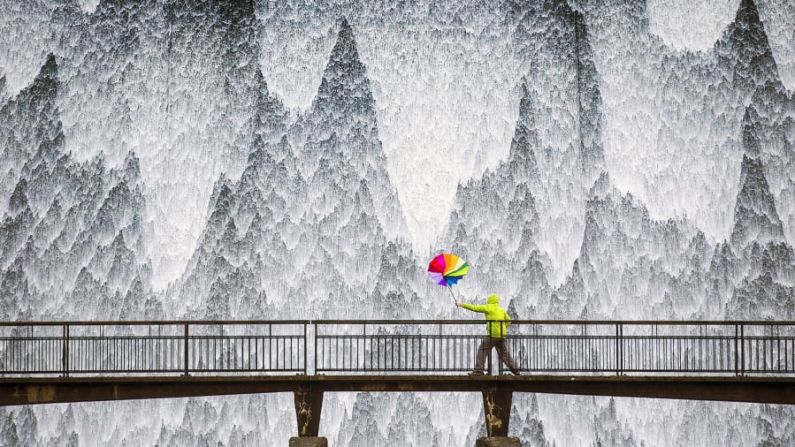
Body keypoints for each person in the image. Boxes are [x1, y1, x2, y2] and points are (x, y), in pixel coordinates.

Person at [456, 294, 520, 376]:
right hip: (502, 335)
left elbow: (475, 308)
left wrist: (461, 304)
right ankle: (515, 370)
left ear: (489, 300)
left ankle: (479, 370)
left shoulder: (488, 307)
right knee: (504, 354)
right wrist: (504, 327)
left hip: (493, 334)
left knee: (482, 350)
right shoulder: (501, 309)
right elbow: (508, 320)